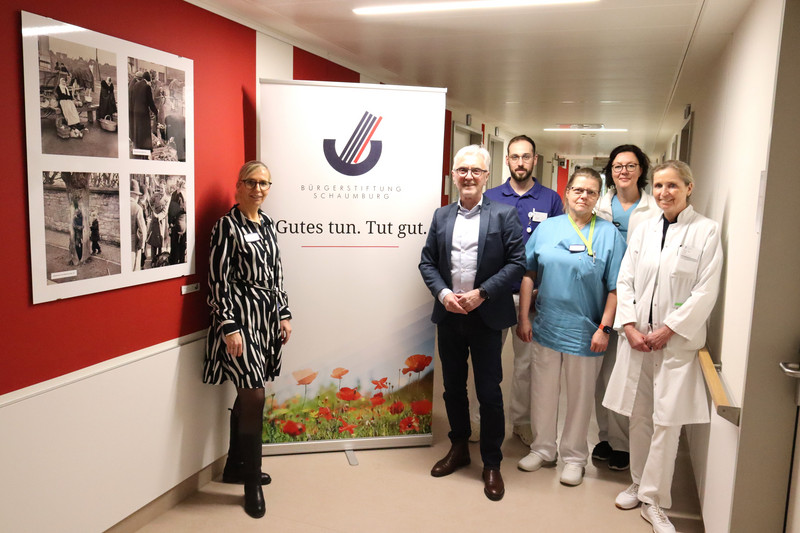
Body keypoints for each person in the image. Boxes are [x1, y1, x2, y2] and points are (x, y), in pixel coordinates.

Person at [603, 160, 722, 533]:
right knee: (639, 417)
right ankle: (639, 484)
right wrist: (629, 325)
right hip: (639, 342)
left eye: (672, 185)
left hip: (675, 347)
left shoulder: (706, 231)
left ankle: (654, 501)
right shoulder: (644, 230)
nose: (664, 193)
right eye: (658, 186)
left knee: (667, 423)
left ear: (689, 187)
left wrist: (669, 329)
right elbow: (626, 280)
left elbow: (705, 291)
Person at [419, 144, 525, 502]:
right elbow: (427, 263)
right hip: (449, 315)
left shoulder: (504, 215)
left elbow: (516, 262)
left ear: (486, 176)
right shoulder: (441, 216)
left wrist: (483, 293)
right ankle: (460, 447)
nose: (468, 176)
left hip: (486, 317)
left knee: (489, 391)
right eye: (462, 170)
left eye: (475, 171)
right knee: (453, 388)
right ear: (453, 175)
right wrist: (443, 294)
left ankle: (492, 462)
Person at [516, 168, 626, 487]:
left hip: (586, 330)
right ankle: (542, 449)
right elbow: (528, 274)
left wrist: (604, 328)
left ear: (597, 198)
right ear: (567, 192)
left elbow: (616, 287)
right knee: (543, 390)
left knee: (580, 397)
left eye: (591, 192)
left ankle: (575, 457)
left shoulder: (608, 234)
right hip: (547, 325)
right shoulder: (548, 228)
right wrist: (524, 318)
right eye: (578, 190)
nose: (583, 196)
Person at [203, 161, 293, 519]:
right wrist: (228, 326)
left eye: (264, 183)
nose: (258, 189)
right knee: (254, 395)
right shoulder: (226, 226)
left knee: (249, 393)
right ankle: (252, 480)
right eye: (251, 182)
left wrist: (283, 312)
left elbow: (277, 272)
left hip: (266, 320)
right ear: (238, 186)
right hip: (239, 321)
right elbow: (218, 280)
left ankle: (234, 466)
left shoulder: (268, 224)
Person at [482, 134, 563, 447]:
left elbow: (556, 247)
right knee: (486, 362)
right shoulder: (491, 196)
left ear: (535, 160)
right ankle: (480, 421)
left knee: (526, 365)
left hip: (532, 296)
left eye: (526, 156)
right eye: (514, 156)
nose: (520, 162)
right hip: (494, 293)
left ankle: (522, 422)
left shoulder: (550, 200)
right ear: (507, 160)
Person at [592, 144, 661, 471]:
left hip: (634, 298)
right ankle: (605, 437)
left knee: (622, 375)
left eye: (631, 165)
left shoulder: (653, 208)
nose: (624, 171)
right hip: (600, 295)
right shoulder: (599, 204)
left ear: (641, 170)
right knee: (600, 376)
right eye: (618, 166)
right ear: (610, 170)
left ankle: (622, 443)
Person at [129, 71, 158, 154]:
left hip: (136, 111)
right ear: (148, 79)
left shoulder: (136, 85)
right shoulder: (147, 87)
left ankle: (138, 147)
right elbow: (150, 102)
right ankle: (146, 149)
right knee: (145, 132)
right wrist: (156, 111)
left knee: (138, 130)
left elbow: (133, 99)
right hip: (143, 113)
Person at [130, 180, 146, 271]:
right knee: (134, 268)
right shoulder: (137, 208)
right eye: (137, 195)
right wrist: (141, 245)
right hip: (134, 244)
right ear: (134, 195)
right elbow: (143, 230)